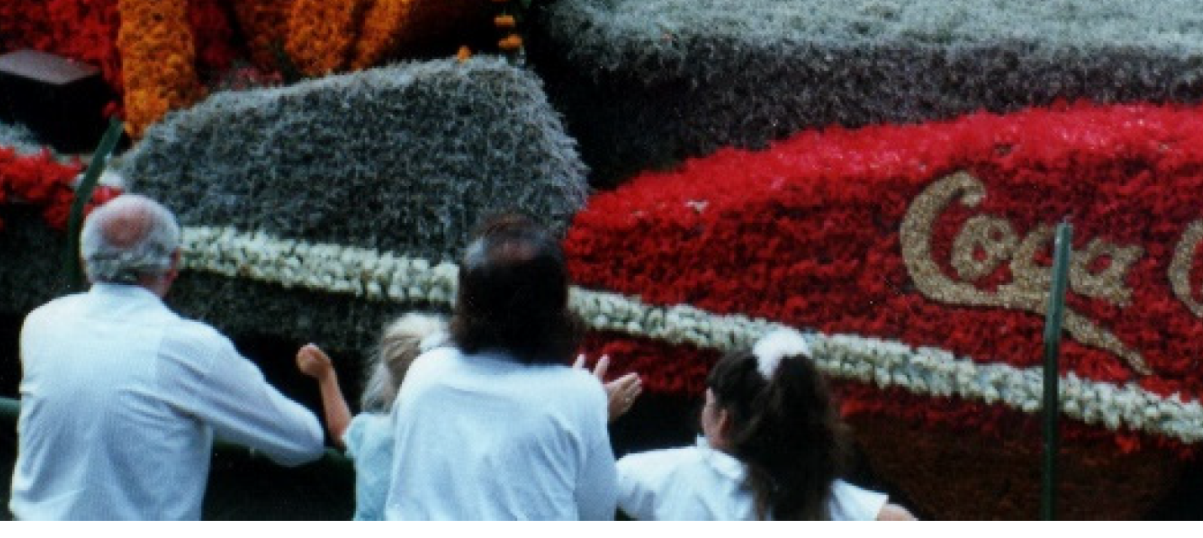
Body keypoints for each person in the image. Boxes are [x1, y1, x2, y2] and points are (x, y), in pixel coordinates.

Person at [8, 194, 329, 520]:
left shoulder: (42, 323)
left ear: (85, 259)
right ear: (173, 263)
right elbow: (304, 440)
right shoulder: (188, 346)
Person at [384, 214, 642, 520]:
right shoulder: (579, 395)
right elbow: (595, 515)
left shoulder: (425, 371)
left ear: (466, 300)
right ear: (555, 307)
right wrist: (589, 414)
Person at [615, 331, 915, 521]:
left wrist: (597, 414)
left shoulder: (678, 473)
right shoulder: (820, 497)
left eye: (708, 403)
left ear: (723, 420)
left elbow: (592, 481)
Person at [297, 312, 445, 521]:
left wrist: (326, 377)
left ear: (384, 375)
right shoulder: (453, 444)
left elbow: (341, 432)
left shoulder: (372, 433)